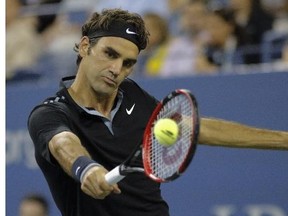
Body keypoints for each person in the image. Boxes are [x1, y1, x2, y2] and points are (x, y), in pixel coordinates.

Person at [27, 8, 288, 216]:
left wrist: (283, 140)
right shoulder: (50, 113)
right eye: (110, 54)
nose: (117, 69)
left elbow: (195, 127)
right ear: (85, 46)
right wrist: (87, 169)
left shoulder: (133, 95)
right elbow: (63, 143)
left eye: (128, 63)